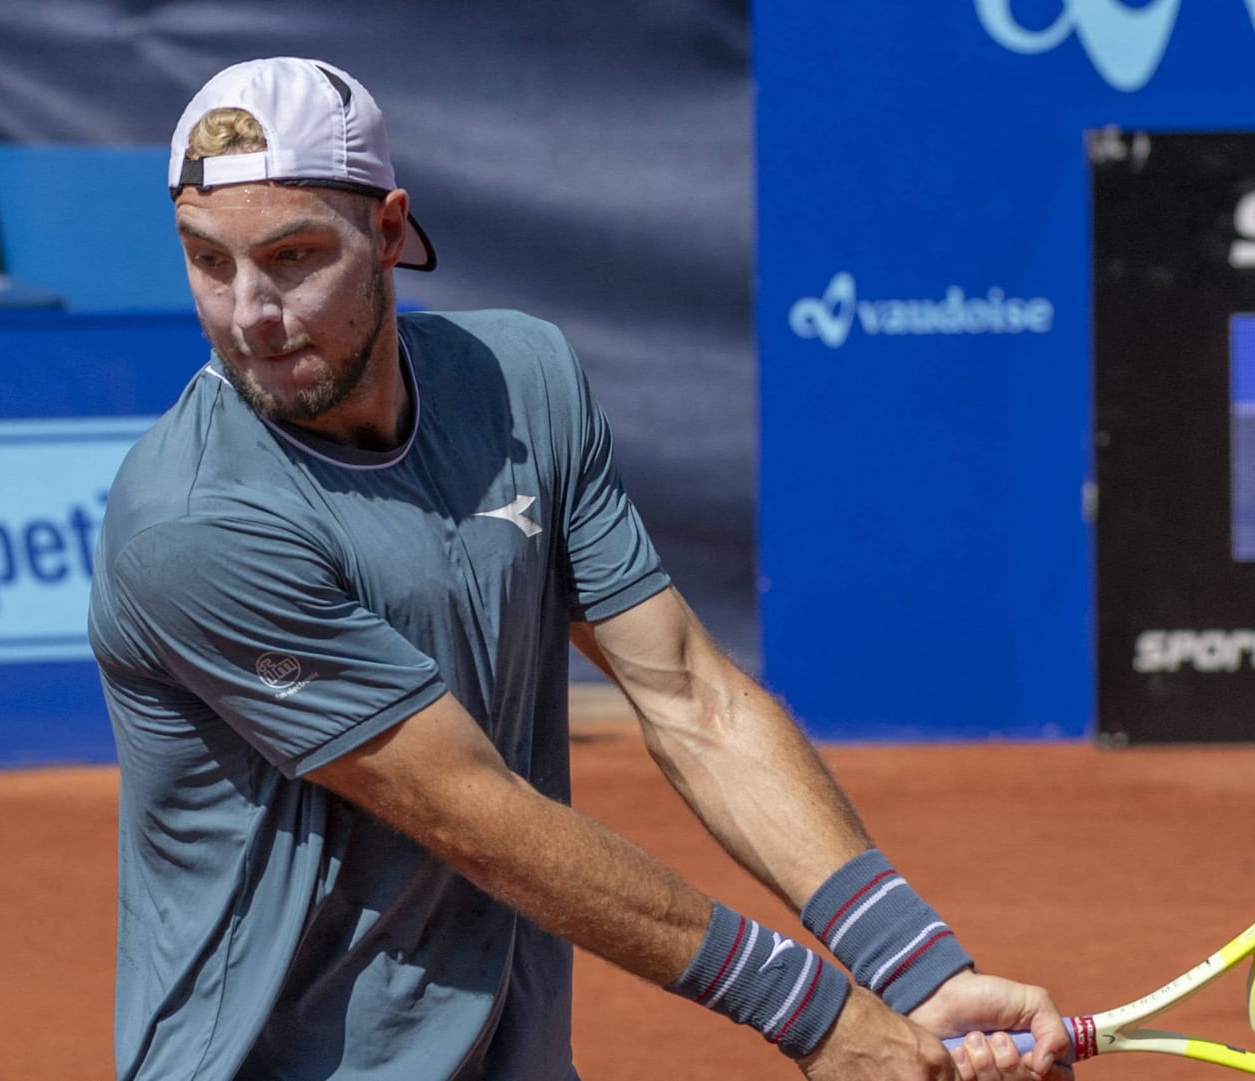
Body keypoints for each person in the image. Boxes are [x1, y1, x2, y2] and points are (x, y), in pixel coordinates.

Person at [87, 57, 1074, 1081]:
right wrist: (821, 1016)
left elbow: (692, 694)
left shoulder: (522, 380)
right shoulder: (194, 525)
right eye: (208, 263)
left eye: (293, 257)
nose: (248, 313)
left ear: (388, 232)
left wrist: (910, 965)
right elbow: (480, 818)